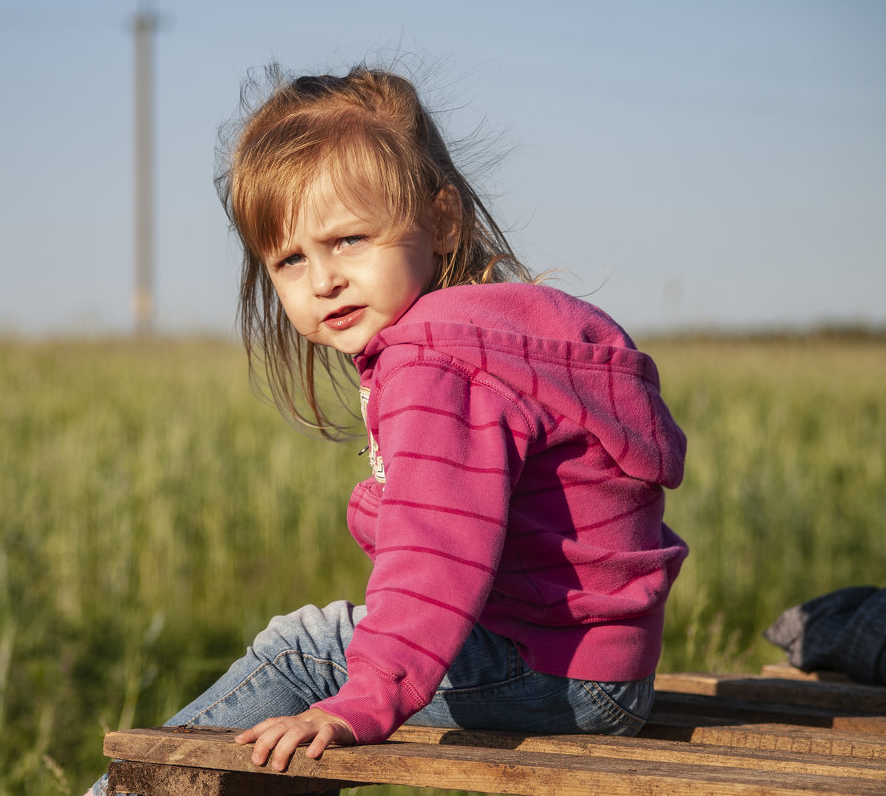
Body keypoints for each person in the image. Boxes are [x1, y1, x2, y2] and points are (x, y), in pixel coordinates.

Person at [88, 64, 688, 795]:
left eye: (347, 240)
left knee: (302, 651)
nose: (322, 280)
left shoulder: (435, 361)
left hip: (556, 674)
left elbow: (435, 552)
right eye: (290, 258)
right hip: (605, 666)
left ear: (440, 222)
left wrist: (363, 698)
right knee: (328, 662)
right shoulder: (502, 329)